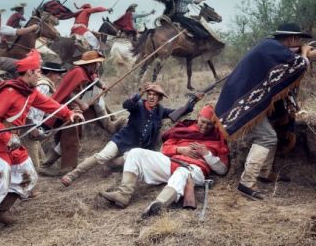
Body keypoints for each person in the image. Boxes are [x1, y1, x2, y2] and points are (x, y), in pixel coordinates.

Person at [0, 50, 83, 244]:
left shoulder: (29, 92)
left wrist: (68, 114)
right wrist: (7, 137)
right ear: (29, 72)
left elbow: (49, 104)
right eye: (38, 71)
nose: (40, 75)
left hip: (13, 143)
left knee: (28, 177)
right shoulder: (9, 92)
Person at [215, 22, 315, 200]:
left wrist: (305, 54)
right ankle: (246, 183)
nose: (299, 42)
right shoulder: (272, 47)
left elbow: (293, 63)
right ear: (291, 38)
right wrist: (306, 52)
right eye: (298, 39)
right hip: (241, 103)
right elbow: (299, 64)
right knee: (267, 137)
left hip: (243, 99)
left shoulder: (271, 47)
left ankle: (264, 172)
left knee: (272, 131)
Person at [60, 83, 203, 187]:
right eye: (150, 94)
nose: (152, 97)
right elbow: (126, 105)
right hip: (121, 140)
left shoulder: (160, 110)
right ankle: (73, 175)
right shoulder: (138, 104)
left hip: (135, 150)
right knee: (102, 156)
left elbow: (178, 112)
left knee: (121, 163)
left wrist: (193, 101)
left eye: (155, 95)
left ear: (160, 98)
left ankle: (111, 166)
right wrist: (139, 94)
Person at [100, 105, 229, 218]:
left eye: (209, 124)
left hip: (193, 170)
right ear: (198, 117)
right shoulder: (184, 130)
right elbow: (164, 149)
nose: (205, 126)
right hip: (171, 162)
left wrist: (206, 154)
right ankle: (123, 195)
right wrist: (179, 149)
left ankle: (159, 204)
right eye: (203, 121)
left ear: (215, 124)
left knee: (182, 173)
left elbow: (222, 170)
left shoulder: (218, 138)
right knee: (135, 152)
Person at [40, 51, 121, 176]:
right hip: (67, 107)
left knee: (71, 138)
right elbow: (69, 93)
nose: (98, 66)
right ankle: (60, 167)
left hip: (75, 107)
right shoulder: (78, 72)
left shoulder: (88, 71)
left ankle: (46, 164)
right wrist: (80, 104)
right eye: (96, 64)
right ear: (90, 64)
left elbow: (94, 77)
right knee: (70, 138)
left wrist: (102, 85)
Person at [24, 62, 67, 169]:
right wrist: (32, 127)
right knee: (34, 166)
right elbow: (32, 108)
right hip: (27, 127)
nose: (60, 77)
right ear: (51, 74)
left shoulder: (40, 83)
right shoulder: (44, 85)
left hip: (28, 125)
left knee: (39, 158)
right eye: (58, 74)